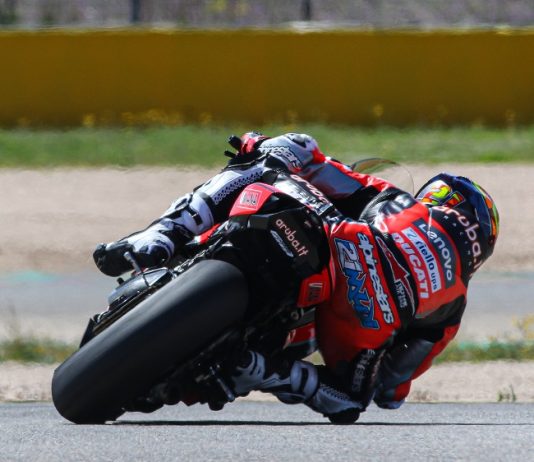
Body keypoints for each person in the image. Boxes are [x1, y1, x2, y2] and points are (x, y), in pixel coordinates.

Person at [94, 132, 499, 423]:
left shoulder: (397, 200)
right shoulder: (453, 306)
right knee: (350, 398)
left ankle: (163, 235)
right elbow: (391, 391)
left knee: (287, 150)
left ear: (440, 196)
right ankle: (262, 370)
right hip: (368, 317)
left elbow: (319, 167)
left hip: (340, 236)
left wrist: (256, 146)